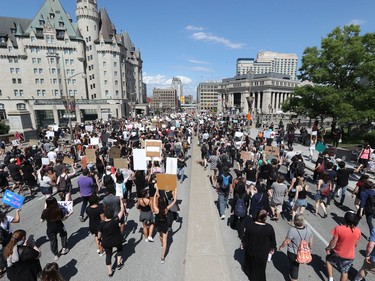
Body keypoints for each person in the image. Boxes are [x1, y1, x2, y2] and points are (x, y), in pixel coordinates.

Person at [241, 209, 276, 281]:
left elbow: (245, 238)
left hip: (251, 249)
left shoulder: (250, 225)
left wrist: (243, 244)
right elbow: (272, 240)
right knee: (261, 267)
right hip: (263, 251)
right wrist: (272, 248)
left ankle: (250, 274)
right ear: (265, 218)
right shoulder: (269, 228)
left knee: (250, 262)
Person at [326, 211, 361, 281]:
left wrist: (328, 248)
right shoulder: (358, 231)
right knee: (344, 271)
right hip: (350, 255)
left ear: (345, 219)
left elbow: (333, 241)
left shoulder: (339, 228)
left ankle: (330, 279)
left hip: (338, 253)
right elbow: (356, 244)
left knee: (328, 261)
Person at [279, 214, 313, 281]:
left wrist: (281, 246)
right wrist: (309, 248)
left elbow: (287, 241)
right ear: (303, 221)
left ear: (295, 221)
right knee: (295, 266)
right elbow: (311, 241)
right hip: (303, 251)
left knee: (295, 267)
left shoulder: (292, 230)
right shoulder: (308, 229)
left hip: (293, 252)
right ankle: (292, 272)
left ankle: (293, 278)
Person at [97, 201, 125, 277]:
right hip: (116, 240)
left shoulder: (101, 223)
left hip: (106, 242)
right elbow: (122, 210)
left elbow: (99, 234)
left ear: (105, 215)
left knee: (108, 255)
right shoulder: (115, 220)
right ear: (112, 214)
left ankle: (110, 272)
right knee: (119, 249)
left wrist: (99, 240)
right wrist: (121, 200)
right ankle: (119, 263)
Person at [153, 187, 176, 264]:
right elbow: (174, 201)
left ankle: (161, 243)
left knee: (160, 235)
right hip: (165, 224)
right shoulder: (166, 209)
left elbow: (154, 200)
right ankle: (162, 257)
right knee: (165, 240)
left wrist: (156, 191)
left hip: (158, 224)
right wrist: (175, 192)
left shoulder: (156, 209)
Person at [0, 209, 21, 275]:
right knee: (13, 250)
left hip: (2, 240)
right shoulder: (6, 218)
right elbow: (17, 220)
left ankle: (1, 269)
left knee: (4, 252)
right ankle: (15, 264)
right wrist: (17, 212)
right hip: (9, 237)